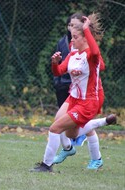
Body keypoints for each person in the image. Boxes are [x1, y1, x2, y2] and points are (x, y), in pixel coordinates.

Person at [30, 13, 115, 172]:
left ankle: (46, 166)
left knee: (55, 128)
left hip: (88, 102)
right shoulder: (72, 54)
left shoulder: (90, 55)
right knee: (70, 133)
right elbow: (58, 72)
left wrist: (86, 30)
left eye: (75, 36)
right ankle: (101, 122)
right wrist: (55, 63)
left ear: (85, 38)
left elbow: (97, 56)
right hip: (74, 98)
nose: (71, 39)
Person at [52, 13, 87, 147]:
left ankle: (95, 155)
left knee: (79, 120)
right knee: (61, 119)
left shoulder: (85, 44)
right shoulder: (62, 42)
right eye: (70, 25)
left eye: (75, 25)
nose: (72, 27)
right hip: (63, 85)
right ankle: (68, 148)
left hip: (79, 88)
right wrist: (58, 81)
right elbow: (58, 65)